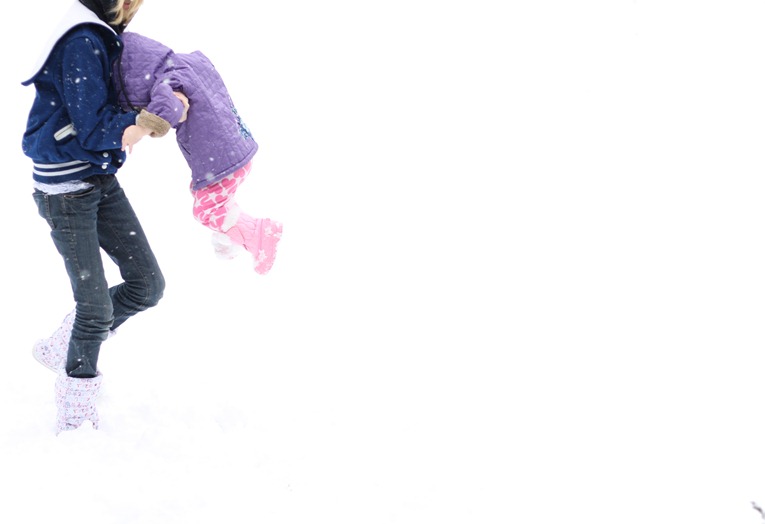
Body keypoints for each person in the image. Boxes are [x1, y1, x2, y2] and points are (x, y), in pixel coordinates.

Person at [21, 0, 167, 434]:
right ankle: (76, 416)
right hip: (66, 189)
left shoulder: (97, 35)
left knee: (148, 285)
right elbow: (92, 126)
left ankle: (63, 345)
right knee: (95, 308)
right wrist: (139, 123)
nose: (133, 8)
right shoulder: (82, 41)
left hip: (97, 177)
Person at [118, 31, 282, 275]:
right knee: (206, 199)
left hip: (221, 159)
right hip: (234, 148)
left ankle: (261, 233)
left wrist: (140, 129)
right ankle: (237, 238)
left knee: (206, 210)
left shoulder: (169, 82)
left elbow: (172, 105)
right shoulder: (185, 65)